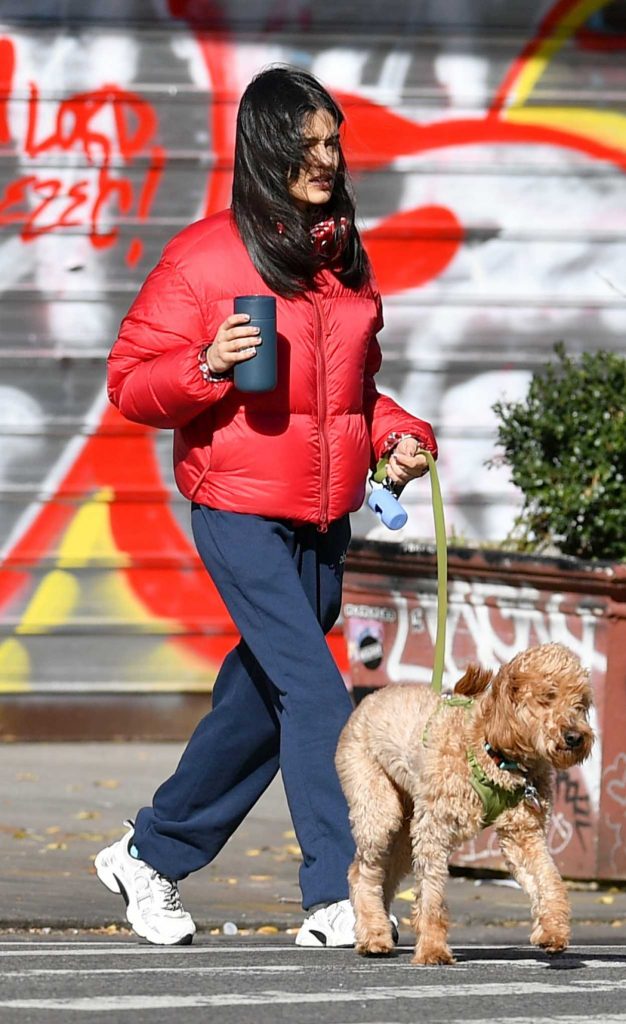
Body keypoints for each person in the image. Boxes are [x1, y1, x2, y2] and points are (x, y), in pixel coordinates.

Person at [94, 64, 437, 948]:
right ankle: (335, 893)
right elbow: (129, 384)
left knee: (260, 697)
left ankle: (151, 854)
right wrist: (206, 366)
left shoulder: (342, 258)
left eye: (333, 142)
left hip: (325, 519)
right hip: (239, 507)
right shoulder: (206, 256)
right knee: (318, 691)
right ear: (266, 147)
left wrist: (402, 438)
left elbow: (356, 395)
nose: (326, 158)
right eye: (308, 142)